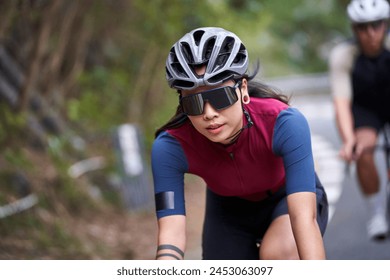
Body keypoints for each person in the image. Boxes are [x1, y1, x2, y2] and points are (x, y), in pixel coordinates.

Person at [151, 27, 328, 260]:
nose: (209, 114)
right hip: (227, 210)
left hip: (286, 197)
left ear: (242, 90)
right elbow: (170, 236)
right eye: (193, 103)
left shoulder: (284, 122)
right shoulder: (170, 147)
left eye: (219, 97)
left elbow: (303, 220)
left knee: (278, 254)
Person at [329, 0, 390, 241]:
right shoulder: (343, 55)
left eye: (376, 25)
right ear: (354, 29)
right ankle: (376, 212)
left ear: (385, 25)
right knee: (363, 149)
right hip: (365, 109)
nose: (370, 33)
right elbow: (341, 103)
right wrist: (348, 141)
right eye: (363, 27)